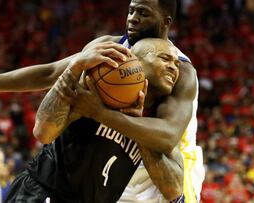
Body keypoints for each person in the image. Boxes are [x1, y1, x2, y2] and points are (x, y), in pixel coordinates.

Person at [0, 0, 204, 201]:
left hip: (153, 165)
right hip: (103, 168)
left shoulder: (177, 70)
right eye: (131, 10)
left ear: (165, 22)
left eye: (143, 13)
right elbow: (51, 72)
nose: (132, 18)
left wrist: (99, 112)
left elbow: (167, 137)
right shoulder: (110, 47)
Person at [29, 38, 184, 203]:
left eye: (177, 64)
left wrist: (134, 128)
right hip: (43, 193)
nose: (173, 67)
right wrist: (73, 68)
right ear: (136, 61)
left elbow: (173, 189)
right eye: (165, 58)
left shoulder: (161, 122)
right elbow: (42, 133)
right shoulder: (96, 87)